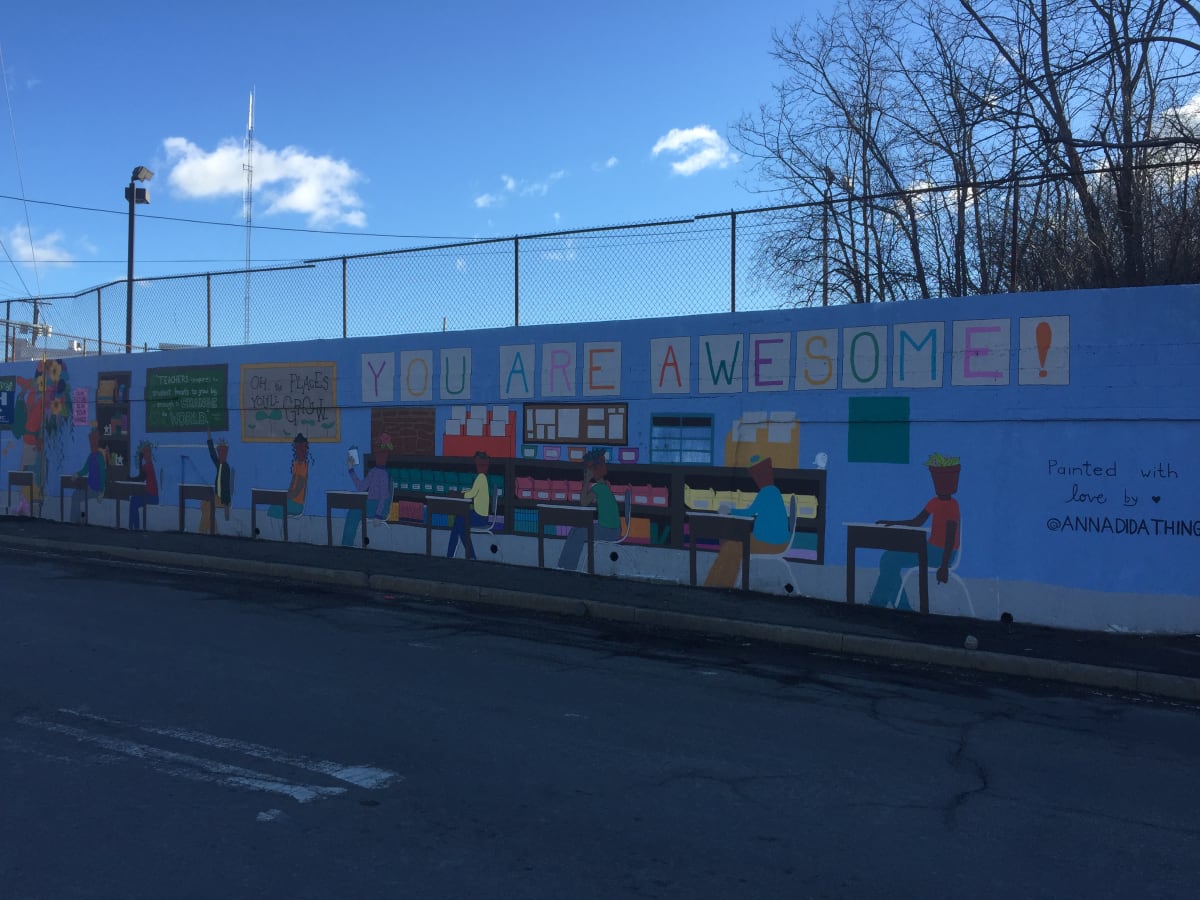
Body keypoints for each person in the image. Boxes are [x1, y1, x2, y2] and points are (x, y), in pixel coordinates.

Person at [870, 466, 961, 610]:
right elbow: (917, 522)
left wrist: (943, 566)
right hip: (928, 549)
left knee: (890, 560)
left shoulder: (953, 506)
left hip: (942, 555)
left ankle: (879, 605)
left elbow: (950, 539)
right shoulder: (934, 502)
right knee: (889, 558)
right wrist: (893, 522)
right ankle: (898, 606)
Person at [704, 456, 790, 588]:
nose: (756, 480)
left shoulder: (767, 492)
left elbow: (750, 512)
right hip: (772, 539)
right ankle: (718, 583)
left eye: (756, 476)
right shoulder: (773, 491)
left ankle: (719, 583)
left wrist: (729, 511)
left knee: (731, 546)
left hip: (770, 541)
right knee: (730, 545)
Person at [557, 449, 621, 571]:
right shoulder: (604, 486)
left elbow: (583, 502)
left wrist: (586, 480)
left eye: (588, 469)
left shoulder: (599, 488)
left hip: (609, 531)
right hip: (611, 529)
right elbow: (593, 500)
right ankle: (562, 566)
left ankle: (568, 567)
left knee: (579, 534)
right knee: (575, 530)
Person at [343, 433, 394, 546]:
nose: (379, 457)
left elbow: (383, 496)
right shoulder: (373, 471)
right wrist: (351, 469)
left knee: (354, 513)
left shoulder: (384, 474)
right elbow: (361, 487)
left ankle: (346, 545)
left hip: (379, 508)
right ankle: (346, 545)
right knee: (353, 512)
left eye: (381, 454)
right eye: (377, 454)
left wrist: (378, 515)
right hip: (371, 504)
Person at [446, 451, 490, 559]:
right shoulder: (482, 477)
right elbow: (473, 491)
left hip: (481, 517)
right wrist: (463, 492)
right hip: (478, 514)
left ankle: (470, 555)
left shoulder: (481, 478)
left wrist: (458, 494)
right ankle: (450, 555)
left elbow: (471, 494)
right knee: (458, 521)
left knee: (460, 522)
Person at [69, 427, 108, 523]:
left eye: (93, 441)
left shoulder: (99, 456)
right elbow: (85, 470)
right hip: (90, 488)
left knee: (75, 496)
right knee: (76, 496)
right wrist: (77, 474)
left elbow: (103, 474)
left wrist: (102, 491)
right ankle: (76, 520)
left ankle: (74, 522)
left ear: (96, 442)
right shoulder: (91, 456)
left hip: (95, 489)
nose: (91, 444)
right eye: (90, 441)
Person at [269, 433, 310, 519]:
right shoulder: (296, 464)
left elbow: (298, 488)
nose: (298, 451)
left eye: (301, 449)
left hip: (297, 504)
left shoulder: (304, 466)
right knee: (272, 509)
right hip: (290, 500)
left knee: (274, 509)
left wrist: (286, 497)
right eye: (297, 448)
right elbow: (292, 484)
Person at [201, 431, 232, 534]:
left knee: (207, 505)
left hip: (223, 498)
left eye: (222, 451)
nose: (220, 454)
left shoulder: (226, 468)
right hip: (218, 496)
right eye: (220, 451)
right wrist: (209, 437)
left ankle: (204, 530)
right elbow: (212, 453)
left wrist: (226, 502)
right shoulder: (219, 464)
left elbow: (227, 487)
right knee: (204, 503)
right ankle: (213, 529)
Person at [127, 441, 159, 530]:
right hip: (151, 495)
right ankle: (132, 526)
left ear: (148, 453)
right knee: (134, 500)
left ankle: (134, 527)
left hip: (152, 497)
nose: (144, 455)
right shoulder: (149, 465)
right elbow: (141, 476)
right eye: (143, 453)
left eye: (145, 452)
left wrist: (140, 461)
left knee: (133, 501)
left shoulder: (148, 466)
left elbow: (141, 477)